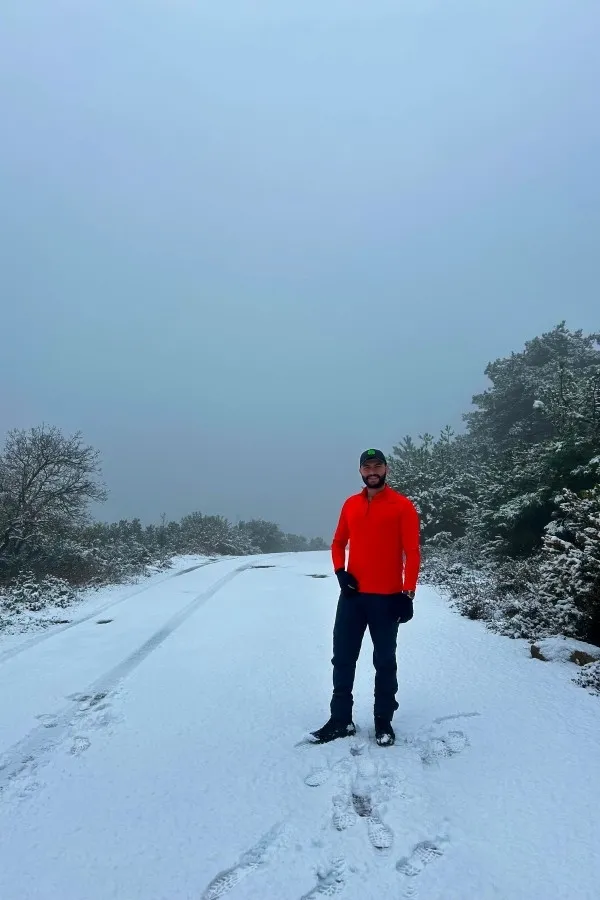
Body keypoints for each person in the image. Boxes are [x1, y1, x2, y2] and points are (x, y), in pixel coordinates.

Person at [311, 448, 421, 747]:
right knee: (342, 659)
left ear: (386, 469)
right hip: (353, 598)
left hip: (387, 598)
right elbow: (338, 543)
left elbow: (412, 552)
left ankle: (383, 720)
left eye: (377, 466)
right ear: (360, 471)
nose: (372, 471)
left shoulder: (402, 506)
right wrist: (340, 572)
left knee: (384, 661)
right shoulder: (351, 504)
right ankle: (340, 720)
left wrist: (408, 593)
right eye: (367, 466)